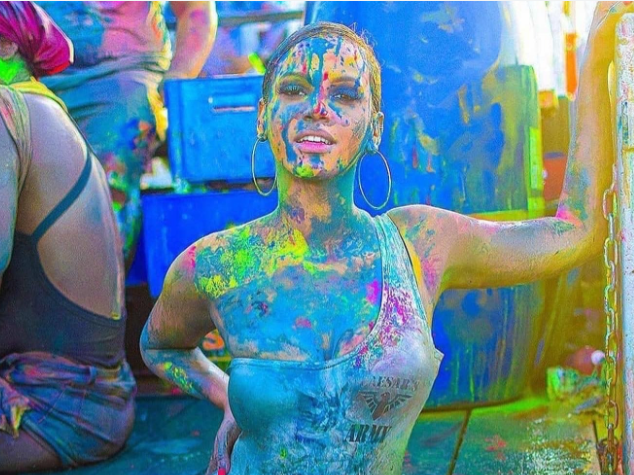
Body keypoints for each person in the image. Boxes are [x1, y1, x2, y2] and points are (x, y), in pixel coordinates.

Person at [140, 2, 627, 474]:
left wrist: (594, 61)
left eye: (346, 95)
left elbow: (575, 231)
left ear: (374, 129)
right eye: (294, 89)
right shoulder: (218, 265)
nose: (318, 108)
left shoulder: (419, 246)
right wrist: (227, 397)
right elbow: (159, 346)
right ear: (264, 115)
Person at [0, 3, 135, 472]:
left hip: (51, 410)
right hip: (94, 401)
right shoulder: (42, 108)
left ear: (7, 44)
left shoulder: (6, 110)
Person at [38, 1, 218, 261]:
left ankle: (100, 286)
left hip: (125, 76)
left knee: (112, 177)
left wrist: (179, 75)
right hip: (31, 77)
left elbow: (196, 8)